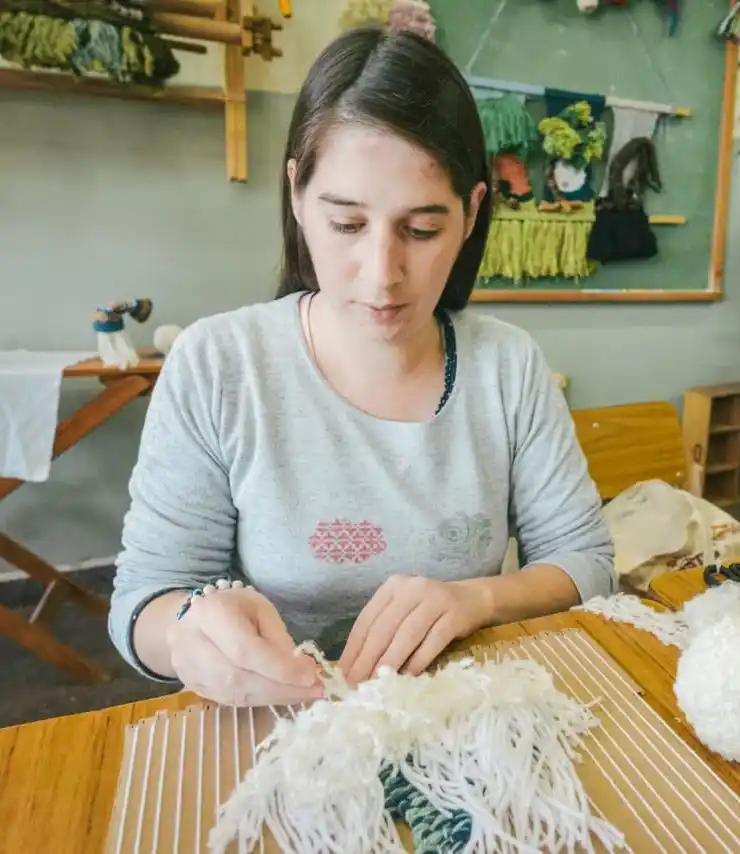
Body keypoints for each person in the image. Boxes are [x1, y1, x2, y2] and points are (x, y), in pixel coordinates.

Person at [109, 26, 615, 708]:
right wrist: (186, 632)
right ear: (296, 193)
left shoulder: (507, 365)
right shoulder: (218, 364)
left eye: (422, 230)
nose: (382, 275)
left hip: (459, 717)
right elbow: (143, 600)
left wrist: (479, 598)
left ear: (471, 212)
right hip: (279, 725)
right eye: (347, 225)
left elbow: (586, 562)